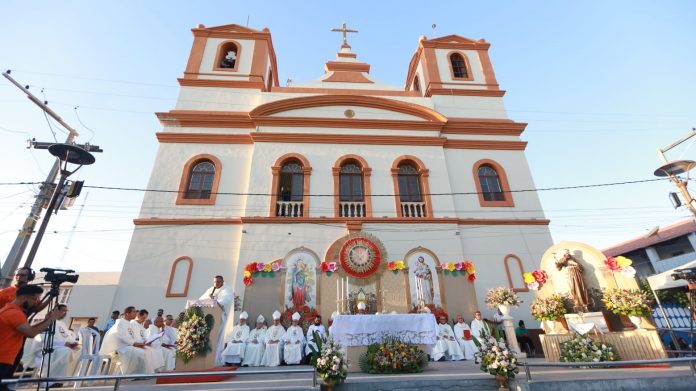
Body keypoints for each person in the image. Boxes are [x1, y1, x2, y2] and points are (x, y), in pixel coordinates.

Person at [0, 285, 60, 391]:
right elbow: (31, 333)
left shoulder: (10, 310)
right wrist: (52, 319)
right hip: (2, 359)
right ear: (24, 298)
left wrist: (47, 320)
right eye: (35, 298)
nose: (36, 302)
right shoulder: (15, 313)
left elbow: (29, 329)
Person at [99, 306, 154, 374]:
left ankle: (141, 374)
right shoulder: (120, 322)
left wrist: (141, 343)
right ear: (127, 313)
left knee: (146, 351)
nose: (136, 314)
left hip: (128, 345)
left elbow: (133, 337)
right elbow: (119, 335)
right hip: (120, 347)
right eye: (134, 312)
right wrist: (134, 343)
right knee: (140, 353)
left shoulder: (129, 324)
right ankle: (131, 374)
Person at [40, 304, 81, 386]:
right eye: (63, 310)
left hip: (63, 346)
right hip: (51, 347)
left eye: (66, 311)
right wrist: (64, 344)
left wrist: (74, 343)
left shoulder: (62, 324)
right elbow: (45, 337)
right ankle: (51, 381)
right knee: (66, 351)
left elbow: (67, 336)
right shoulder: (48, 321)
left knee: (80, 351)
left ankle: (68, 379)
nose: (65, 313)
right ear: (56, 311)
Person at [199, 275, 234, 365]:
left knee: (216, 338)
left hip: (219, 317)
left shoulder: (227, 290)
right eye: (214, 282)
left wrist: (214, 299)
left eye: (218, 282)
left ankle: (215, 359)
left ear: (222, 281)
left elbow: (224, 301)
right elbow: (201, 300)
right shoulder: (211, 289)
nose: (216, 284)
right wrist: (209, 299)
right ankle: (204, 358)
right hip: (207, 318)